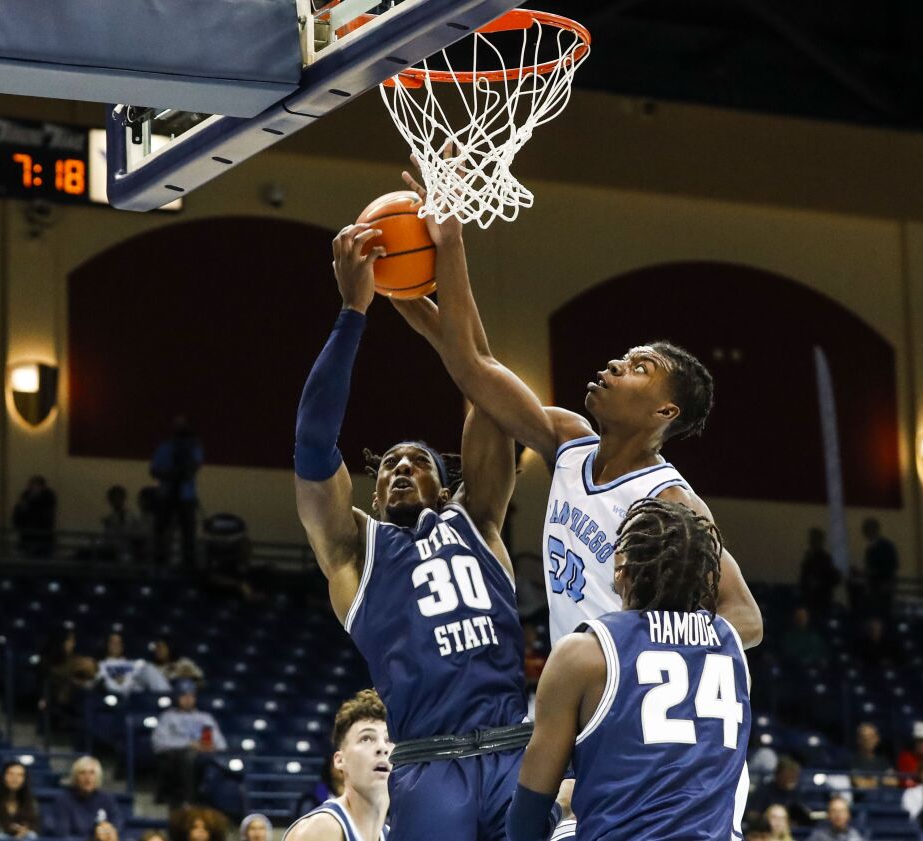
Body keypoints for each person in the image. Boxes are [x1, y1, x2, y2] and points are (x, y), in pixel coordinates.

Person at [388, 168, 763, 652]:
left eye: (639, 367)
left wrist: (651, 646)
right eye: (623, 358)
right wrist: (409, 270)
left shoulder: (671, 502)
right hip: (577, 686)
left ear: (665, 411)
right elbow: (477, 369)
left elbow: (746, 619)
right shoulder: (567, 438)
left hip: (625, 696)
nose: (615, 365)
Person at [293, 224, 528, 841]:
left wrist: (448, 251)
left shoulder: (477, 519)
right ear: (372, 495)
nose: (400, 467)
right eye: (390, 464)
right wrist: (353, 311)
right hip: (427, 763)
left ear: (445, 485)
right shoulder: (354, 551)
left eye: (418, 460)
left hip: (514, 754)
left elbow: (484, 381)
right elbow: (313, 444)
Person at [505, 498, 751, 841]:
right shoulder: (731, 647)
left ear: (621, 568)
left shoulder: (585, 654)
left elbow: (524, 822)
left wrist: (561, 808)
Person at [283, 690, 391, 841]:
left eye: (389, 739)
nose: (382, 747)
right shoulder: (321, 830)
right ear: (340, 760)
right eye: (366, 738)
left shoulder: (391, 835)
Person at [151, 681, 227, 809]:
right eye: (184, 696)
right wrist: (189, 744)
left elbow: (221, 744)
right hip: (177, 758)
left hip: (204, 755)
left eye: (191, 696)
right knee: (187, 756)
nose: (188, 700)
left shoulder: (205, 717)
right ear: (177, 697)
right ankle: (187, 801)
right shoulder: (168, 717)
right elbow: (159, 743)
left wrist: (210, 746)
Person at [151, 416, 203, 568]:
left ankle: (187, 563)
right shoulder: (165, 447)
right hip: (168, 495)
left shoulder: (194, 448)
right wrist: (175, 474)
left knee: (187, 532)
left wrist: (171, 474)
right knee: (163, 530)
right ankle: (161, 561)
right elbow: (154, 471)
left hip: (184, 496)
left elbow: (192, 469)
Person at [48, 757, 124, 838]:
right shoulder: (63, 800)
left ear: (98, 777)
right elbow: (63, 835)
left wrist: (108, 830)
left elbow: (117, 822)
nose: (88, 778)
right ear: (75, 777)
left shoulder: (107, 799)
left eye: (92, 773)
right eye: (82, 773)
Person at [96, 632, 170, 696]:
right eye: (112, 642)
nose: (116, 645)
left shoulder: (133, 663)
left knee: (148, 668)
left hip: (134, 694)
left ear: (123, 645)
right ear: (106, 644)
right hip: (110, 694)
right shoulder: (100, 664)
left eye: (119, 642)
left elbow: (152, 676)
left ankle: (167, 697)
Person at [748, 757, 811, 826]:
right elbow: (753, 815)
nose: (792, 779)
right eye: (789, 775)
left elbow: (804, 814)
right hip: (767, 829)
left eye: (794, 776)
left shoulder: (796, 792)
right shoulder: (764, 790)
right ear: (778, 775)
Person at [0, 761, 40, 839]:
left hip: (23, 838)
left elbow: (34, 827)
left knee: (31, 836)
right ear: (3, 776)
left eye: (20, 775)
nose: (15, 778)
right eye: (10, 774)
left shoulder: (31, 802)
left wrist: (24, 831)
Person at [798, 528, 840, 620]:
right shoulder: (808, 558)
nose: (813, 542)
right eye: (812, 539)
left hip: (823, 600)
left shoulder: (825, 558)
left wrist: (820, 583)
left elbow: (833, 578)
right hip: (810, 600)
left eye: (815, 539)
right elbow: (803, 580)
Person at [860, 518, 898, 619]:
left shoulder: (885, 546)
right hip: (875, 587)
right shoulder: (871, 548)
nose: (867, 532)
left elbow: (892, 565)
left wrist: (886, 582)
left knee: (883, 614)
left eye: (869, 529)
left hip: (883, 586)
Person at [12, 475, 56, 558]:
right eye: (32, 486)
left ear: (42, 487)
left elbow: (45, 518)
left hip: (43, 538)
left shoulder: (48, 498)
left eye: (36, 486)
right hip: (28, 536)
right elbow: (18, 516)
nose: (33, 489)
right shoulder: (25, 497)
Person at [850, 723, 896, 789]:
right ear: (858, 740)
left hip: (885, 797)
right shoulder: (853, 761)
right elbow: (860, 784)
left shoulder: (883, 760)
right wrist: (882, 780)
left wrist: (871, 780)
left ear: (877, 738)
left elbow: (894, 782)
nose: (869, 741)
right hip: (864, 798)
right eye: (865, 737)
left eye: (872, 737)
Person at [100, 485, 140, 562]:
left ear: (123, 499)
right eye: (113, 498)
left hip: (121, 553)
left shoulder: (130, 516)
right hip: (110, 550)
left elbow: (129, 533)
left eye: (118, 497)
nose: (116, 500)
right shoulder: (110, 517)